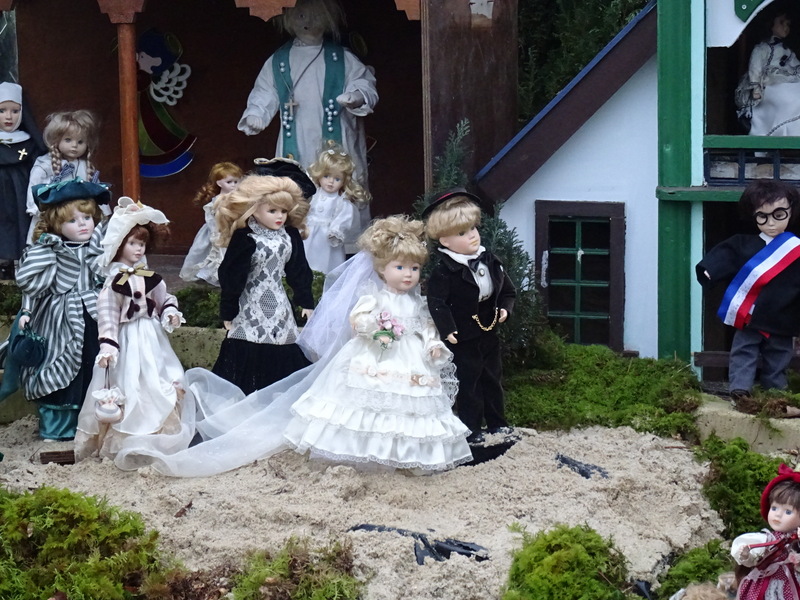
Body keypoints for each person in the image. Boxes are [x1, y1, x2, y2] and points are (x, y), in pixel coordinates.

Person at [283, 215, 472, 471]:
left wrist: (432, 344)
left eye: (414, 268)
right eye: (400, 267)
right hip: (375, 354)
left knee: (410, 407)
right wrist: (375, 329)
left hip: (411, 357)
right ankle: (363, 452)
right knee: (366, 402)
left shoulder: (418, 302)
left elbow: (426, 326)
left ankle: (404, 456)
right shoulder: (375, 296)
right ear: (382, 269)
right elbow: (359, 319)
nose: (408, 275)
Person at [74, 198, 184, 461]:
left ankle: (157, 437)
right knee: (128, 382)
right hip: (126, 339)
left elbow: (165, 298)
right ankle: (125, 440)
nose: (138, 249)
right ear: (119, 245)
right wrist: (108, 345)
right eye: (133, 243)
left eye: (142, 244)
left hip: (152, 337)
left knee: (157, 379)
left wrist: (169, 312)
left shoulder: (149, 277)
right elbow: (108, 315)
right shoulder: (114, 283)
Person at [237, 0, 378, 190]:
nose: (308, 22)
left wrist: (357, 96)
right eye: (301, 15)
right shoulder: (279, 60)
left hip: (337, 135)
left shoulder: (342, 57)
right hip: (297, 135)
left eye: (316, 16)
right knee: (297, 186)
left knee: (339, 188)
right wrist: (256, 113)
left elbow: (363, 81)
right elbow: (265, 90)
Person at [13, 178, 110, 441]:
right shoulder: (48, 251)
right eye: (72, 220)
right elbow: (33, 288)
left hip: (95, 313)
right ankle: (60, 427)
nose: (82, 224)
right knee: (59, 362)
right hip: (59, 316)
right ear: (57, 224)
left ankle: (96, 423)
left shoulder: (99, 249)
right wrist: (27, 312)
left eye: (87, 218)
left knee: (95, 362)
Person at [423, 189, 516, 445]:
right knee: (469, 382)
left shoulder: (490, 260)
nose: (472, 235)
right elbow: (437, 302)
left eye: (473, 228)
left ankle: (498, 424)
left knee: (493, 378)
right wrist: (447, 328)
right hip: (463, 335)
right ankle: (471, 429)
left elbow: (508, 291)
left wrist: (505, 308)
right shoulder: (445, 271)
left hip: (489, 329)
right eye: (462, 233)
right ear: (445, 241)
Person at [696, 180, 800, 402]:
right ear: (753, 216)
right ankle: (740, 389)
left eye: (778, 214)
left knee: (779, 355)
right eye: (762, 216)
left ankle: (775, 393)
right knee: (743, 350)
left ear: (791, 211)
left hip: (783, 315)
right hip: (750, 314)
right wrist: (709, 270)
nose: (771, 223)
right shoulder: (743, 244)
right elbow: (726, 255)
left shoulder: (795, 249)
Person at [212, 172, 315, 394]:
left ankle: (279, 395)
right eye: (272, 211)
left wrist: (306, 301)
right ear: (254, 209)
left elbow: (299, 270)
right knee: (247, 349)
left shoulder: (289, 235)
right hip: (249, 305)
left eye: (284, 211)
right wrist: (228, 311)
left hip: (279, 304)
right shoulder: (245, 237)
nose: (280, 217)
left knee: (283, 346)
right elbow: (231, 277)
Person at [26, 110, 103, 244]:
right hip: (52, 214)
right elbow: (34, 186)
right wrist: (36, 208)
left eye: (80, 142)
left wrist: (103, 210)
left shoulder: (85, 166)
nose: (74, 145)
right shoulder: (45, 164)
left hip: (79, 218)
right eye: (68, 140)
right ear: (56, 139)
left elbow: (97, 189)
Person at [730, 464, 800, 599]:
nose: (778, 515)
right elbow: (753, 558)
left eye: (788, 511)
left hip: (790, 585)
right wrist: (746, 555)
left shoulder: (796, 540)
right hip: (763, 584)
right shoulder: (766, 539)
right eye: (774, 508)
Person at [0, 81, 45, 279]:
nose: (8, 117)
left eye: (15, 111)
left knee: (20, 226)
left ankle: (20, 265)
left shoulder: (28, 142)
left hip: (20, 193)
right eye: (2, 111)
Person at [304, 144, 368, 274]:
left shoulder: (341, 202)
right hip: (308, 234)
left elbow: (343, 218)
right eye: (326, 176)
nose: (330, 182)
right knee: (306, 258)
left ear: (344, 181)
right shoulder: (313, 194)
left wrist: (335, 231)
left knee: (327, 264)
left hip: (327, 240)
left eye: (337, 179)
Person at [736, 11, 800, 136]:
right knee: (791, 98)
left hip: (787, 80)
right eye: (782, 23)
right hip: (770, 83)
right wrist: (756, 88)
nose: (785, 27)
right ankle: (778, 130)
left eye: (787, 24)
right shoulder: (762, 48)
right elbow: (755, 67)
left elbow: (796, 65)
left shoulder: (787, 51)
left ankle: (792, 131)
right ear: (771, 25)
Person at [179, 161, 243, 285]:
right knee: (216, 255)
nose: (233, 185)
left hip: (234, 231)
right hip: (218, 231)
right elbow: (213, 220)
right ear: (219, 183)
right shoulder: (219, 200)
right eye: (229, 182)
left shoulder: (238, 198)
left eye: (236, 181)